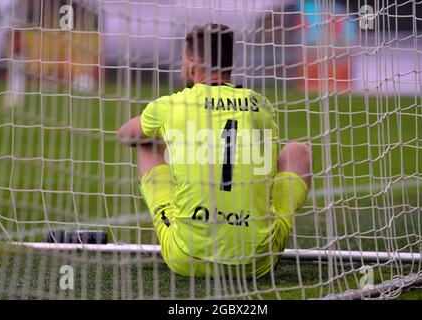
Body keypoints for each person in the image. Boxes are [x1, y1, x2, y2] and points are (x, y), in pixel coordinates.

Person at [118, 23, 312, 278]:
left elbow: (125, 135)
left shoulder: (169, 105)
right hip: (257, 261)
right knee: (299, 152)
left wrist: (175, 145)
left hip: (186, 257)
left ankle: (179, 219)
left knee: (146, 141)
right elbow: (268, 167)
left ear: (191, 61)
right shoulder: (261, 105)